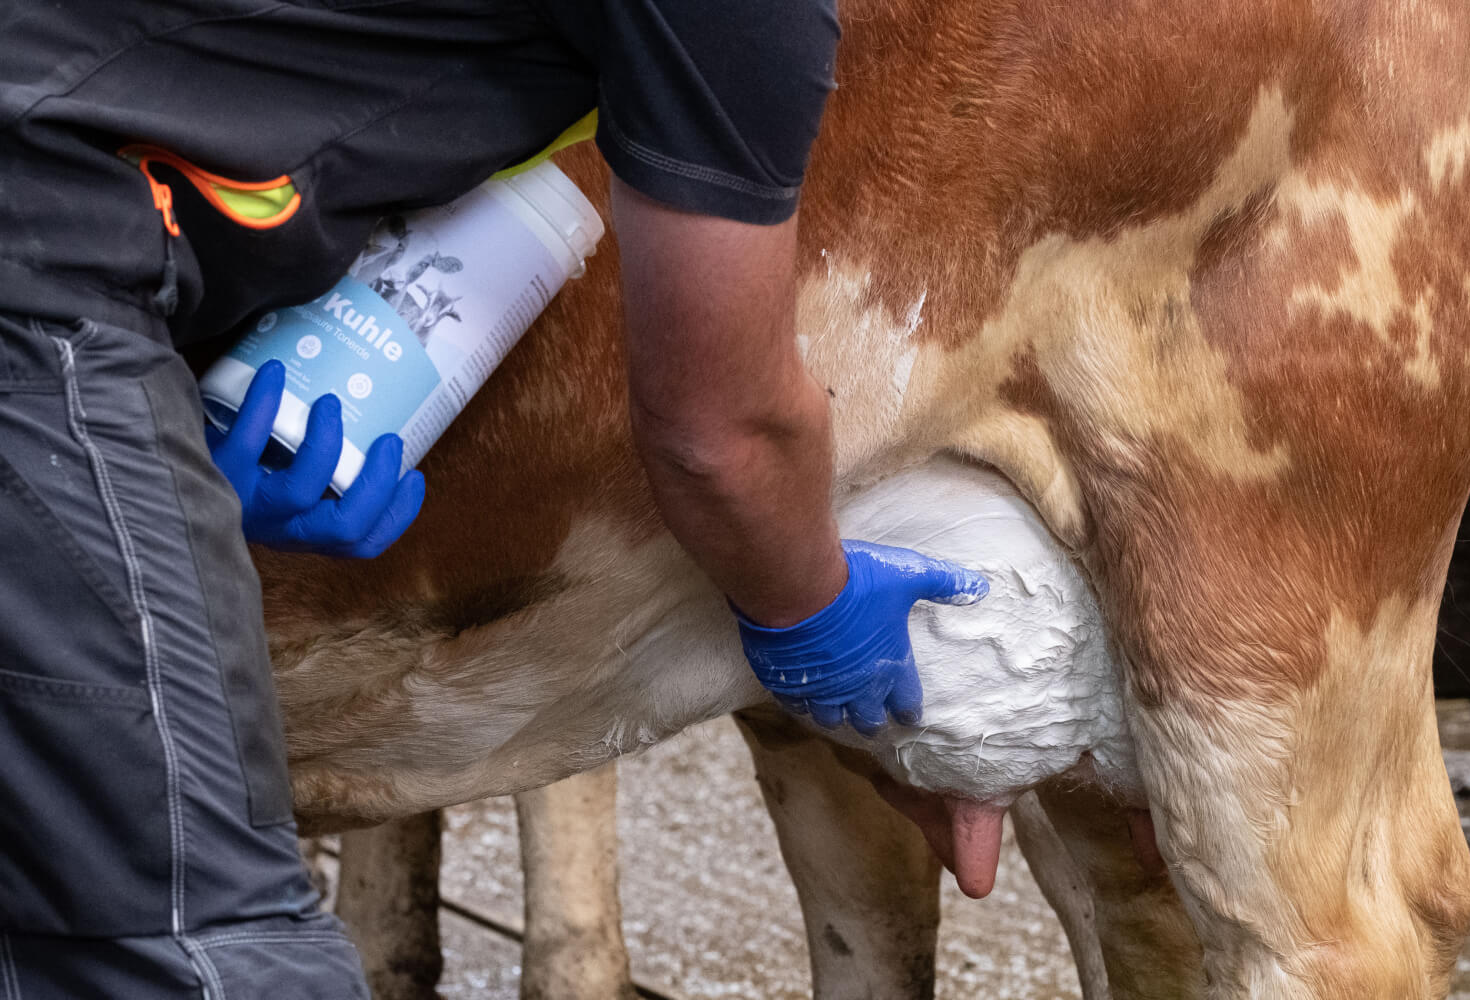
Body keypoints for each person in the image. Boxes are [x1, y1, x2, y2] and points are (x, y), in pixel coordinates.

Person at [0, 2, 985, 996]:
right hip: (40, 262)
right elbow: (721, 436)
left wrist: (158, 443)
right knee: (203, 947)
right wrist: (815, 613)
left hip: (66, 245)